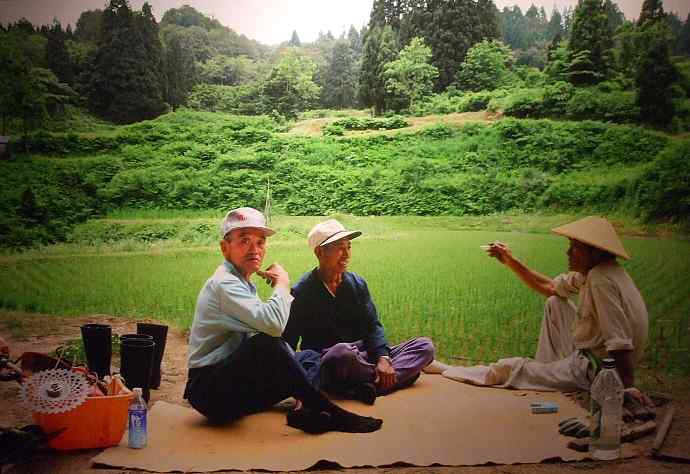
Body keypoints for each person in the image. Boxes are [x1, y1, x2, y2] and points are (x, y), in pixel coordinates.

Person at [183, 208, 382, 434]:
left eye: (260, 242)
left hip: (232, 389)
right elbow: (274, 328)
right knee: (268, 343)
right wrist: (282, 283)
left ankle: (308, 411)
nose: (254, 249)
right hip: (210, 393)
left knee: (299, 356)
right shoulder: (224, 284)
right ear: (224, 248)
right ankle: (329, 411)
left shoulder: (241, 282)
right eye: (244, 241)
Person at [443, 216, 650, 403]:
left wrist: (625, 388)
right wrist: (510, 261)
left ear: (595, 252)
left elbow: (619, 342)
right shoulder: (599, 273)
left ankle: (446, 369)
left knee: (514, 368)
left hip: (594, 370)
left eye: (575, 247)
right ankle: (546, 373)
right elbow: (551, 287)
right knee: (555, 302)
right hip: (592, 356)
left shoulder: (600, 281)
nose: (568, 252)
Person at [284, 219, 435, 405]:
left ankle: (362, 386)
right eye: (340, 248)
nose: (347, 255)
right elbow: (289, 342)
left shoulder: (357, 284)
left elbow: (373, 326)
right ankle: (390, 380)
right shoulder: (301, 292)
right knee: (341, 352)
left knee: (425, 346)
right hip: (330, 361)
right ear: (319, 252)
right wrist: (299, 384)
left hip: (364, 356)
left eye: (349, 247)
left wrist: (383, 358)